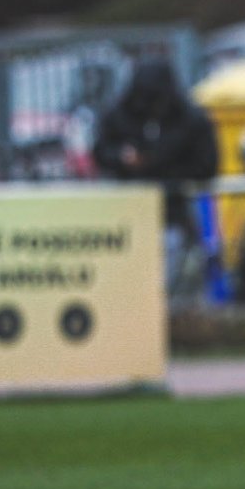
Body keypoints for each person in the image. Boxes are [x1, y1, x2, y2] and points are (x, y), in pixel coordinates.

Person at [92, 56, 220, 309]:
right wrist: (122, 158)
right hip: (127, 214)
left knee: (173, 274)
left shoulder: (188, 120)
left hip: (172, 211)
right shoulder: (121, 115)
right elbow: (100, 151)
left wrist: (165, 168)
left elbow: (206, 165)